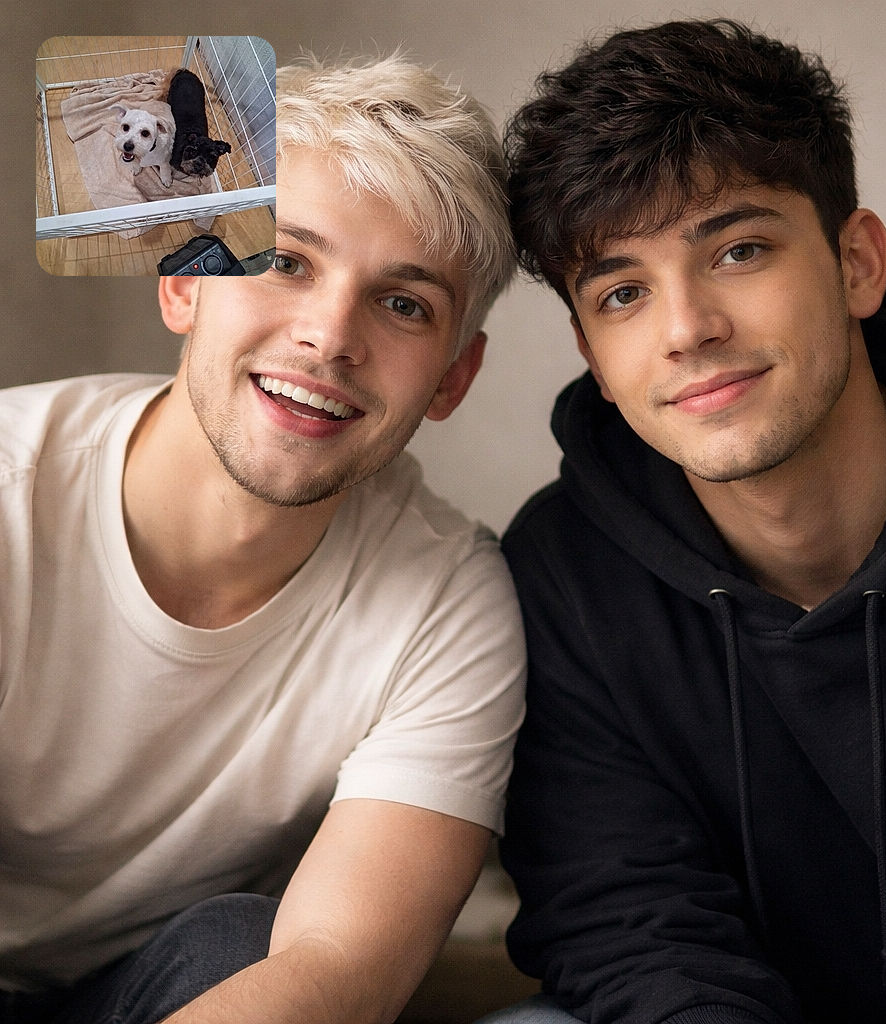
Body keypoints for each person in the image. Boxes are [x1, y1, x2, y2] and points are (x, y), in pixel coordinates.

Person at [485, 18, 886, 1024]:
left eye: (737, 249)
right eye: (623, 291)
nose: (687, 328)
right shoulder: (563, 577)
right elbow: (629, 925)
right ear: (591, 353)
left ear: (858, 262)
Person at [0, 54, 524, 1023]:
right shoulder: (11, 493)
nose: (330, 336)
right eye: (285, 260)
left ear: (453, 377)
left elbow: (339, 967)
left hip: (146, 991)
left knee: (246, 942)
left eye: (403, 303)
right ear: (183, 286)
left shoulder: (449, 603)